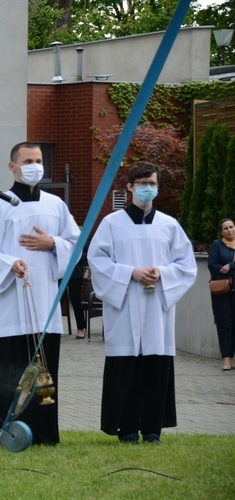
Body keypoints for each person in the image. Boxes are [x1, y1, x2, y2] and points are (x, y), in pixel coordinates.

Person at [0, 142, 80, 446]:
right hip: (8, 305)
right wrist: (9, 263)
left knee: (42, 372)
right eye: (28, 160)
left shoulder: (56, 205)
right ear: (12, 167)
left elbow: (74, 243)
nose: (35, 165)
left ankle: (41, 434)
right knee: (4, 371)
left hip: (44, 303)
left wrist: (53, 243)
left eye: (39, 160)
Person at [88, 161, 196, 445]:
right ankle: (126, 429)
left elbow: (186, 265)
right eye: (143, 183)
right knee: (126, 369)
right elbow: (97, 261)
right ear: (129, 187)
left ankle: (152, 429)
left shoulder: (169, 225)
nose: (148, 188)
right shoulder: (111, 223)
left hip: (156, 307)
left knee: (155, 367)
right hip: (124, 306)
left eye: (153, 183)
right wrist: (130, 273)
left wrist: (162, 273)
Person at [209, 218, 235, 371]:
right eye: (225, 228)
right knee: (224, 324)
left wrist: (229, 266)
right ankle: (227, 359)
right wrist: (223, 268)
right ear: (222, 232)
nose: (229, 230)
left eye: (231, 227)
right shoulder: (217, 245)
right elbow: (212, 265)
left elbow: (223, 267)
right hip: (222, 290)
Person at [63, 245, 88, 339]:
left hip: (75, 274)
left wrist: (76, 256)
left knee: (76, 301)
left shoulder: (78, 234)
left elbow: (87, 253)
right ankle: (55, 328)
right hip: (60, 273)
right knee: (57, 302)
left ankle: (81, 328)